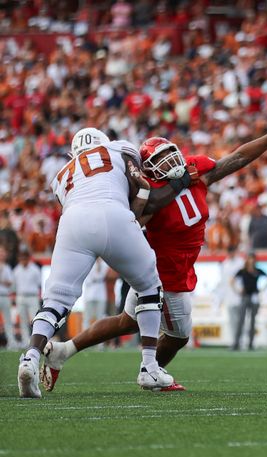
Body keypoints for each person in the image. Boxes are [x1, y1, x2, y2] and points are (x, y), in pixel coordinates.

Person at [41, 106, 267, 393]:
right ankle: (150, 371)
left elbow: (237, 157)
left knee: (127, 322)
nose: (170, 161)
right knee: (178, 336)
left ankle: (63, 351)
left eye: (170, 153)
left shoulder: (195, 170)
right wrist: (158, 192)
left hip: (179, 267)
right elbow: (135, 218)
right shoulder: (146, 192)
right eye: (160, 159)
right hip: (163, 273)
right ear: (147, 168)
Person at [17, 127, 169, 398]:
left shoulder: (61, 174)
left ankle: (30, 356)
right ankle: (149, 366)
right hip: (113, 212)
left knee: (56, 299)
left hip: (73, 220)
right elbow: (140, 185)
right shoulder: (119, 148)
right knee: (149, 287)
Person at [231, 253, 267, 351]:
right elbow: (232, 280)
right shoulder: (242, 271)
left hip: (254, 297)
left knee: (253, 321)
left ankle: (251, 344)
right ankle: (236, 343)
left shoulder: (257, 271)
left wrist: (262, 289)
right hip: (245, 297)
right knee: (241, 321)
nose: (251, 261)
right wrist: (237, 290)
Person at [12, 248, 40, 344]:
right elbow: (14, 286)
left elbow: (39, 283)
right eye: (21, 257)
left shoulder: (35, 269)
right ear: (19, 258)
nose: (23, 259)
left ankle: (35, 341)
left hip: (32, 296)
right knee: (23, 320)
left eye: (25, 257)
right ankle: (25, 341)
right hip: (21, 297)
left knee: (35, 320)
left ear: (28, 257)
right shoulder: (16, 270)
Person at [81, 258, 110, 332]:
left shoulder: (104, 263)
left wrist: (99, 264)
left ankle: (100, 341)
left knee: (100, 317)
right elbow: (88, 278)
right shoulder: (88, 262)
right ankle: (85, 339)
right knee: (87, 318)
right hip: (89, 295)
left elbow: (102, 275)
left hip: (100, 294)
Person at [0, 247, 15, 348]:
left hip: (5, 296)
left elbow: (10, 283)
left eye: (3, 253)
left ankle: (11, 342)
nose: (2, 254)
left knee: (8, 321)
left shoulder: (7, 267)